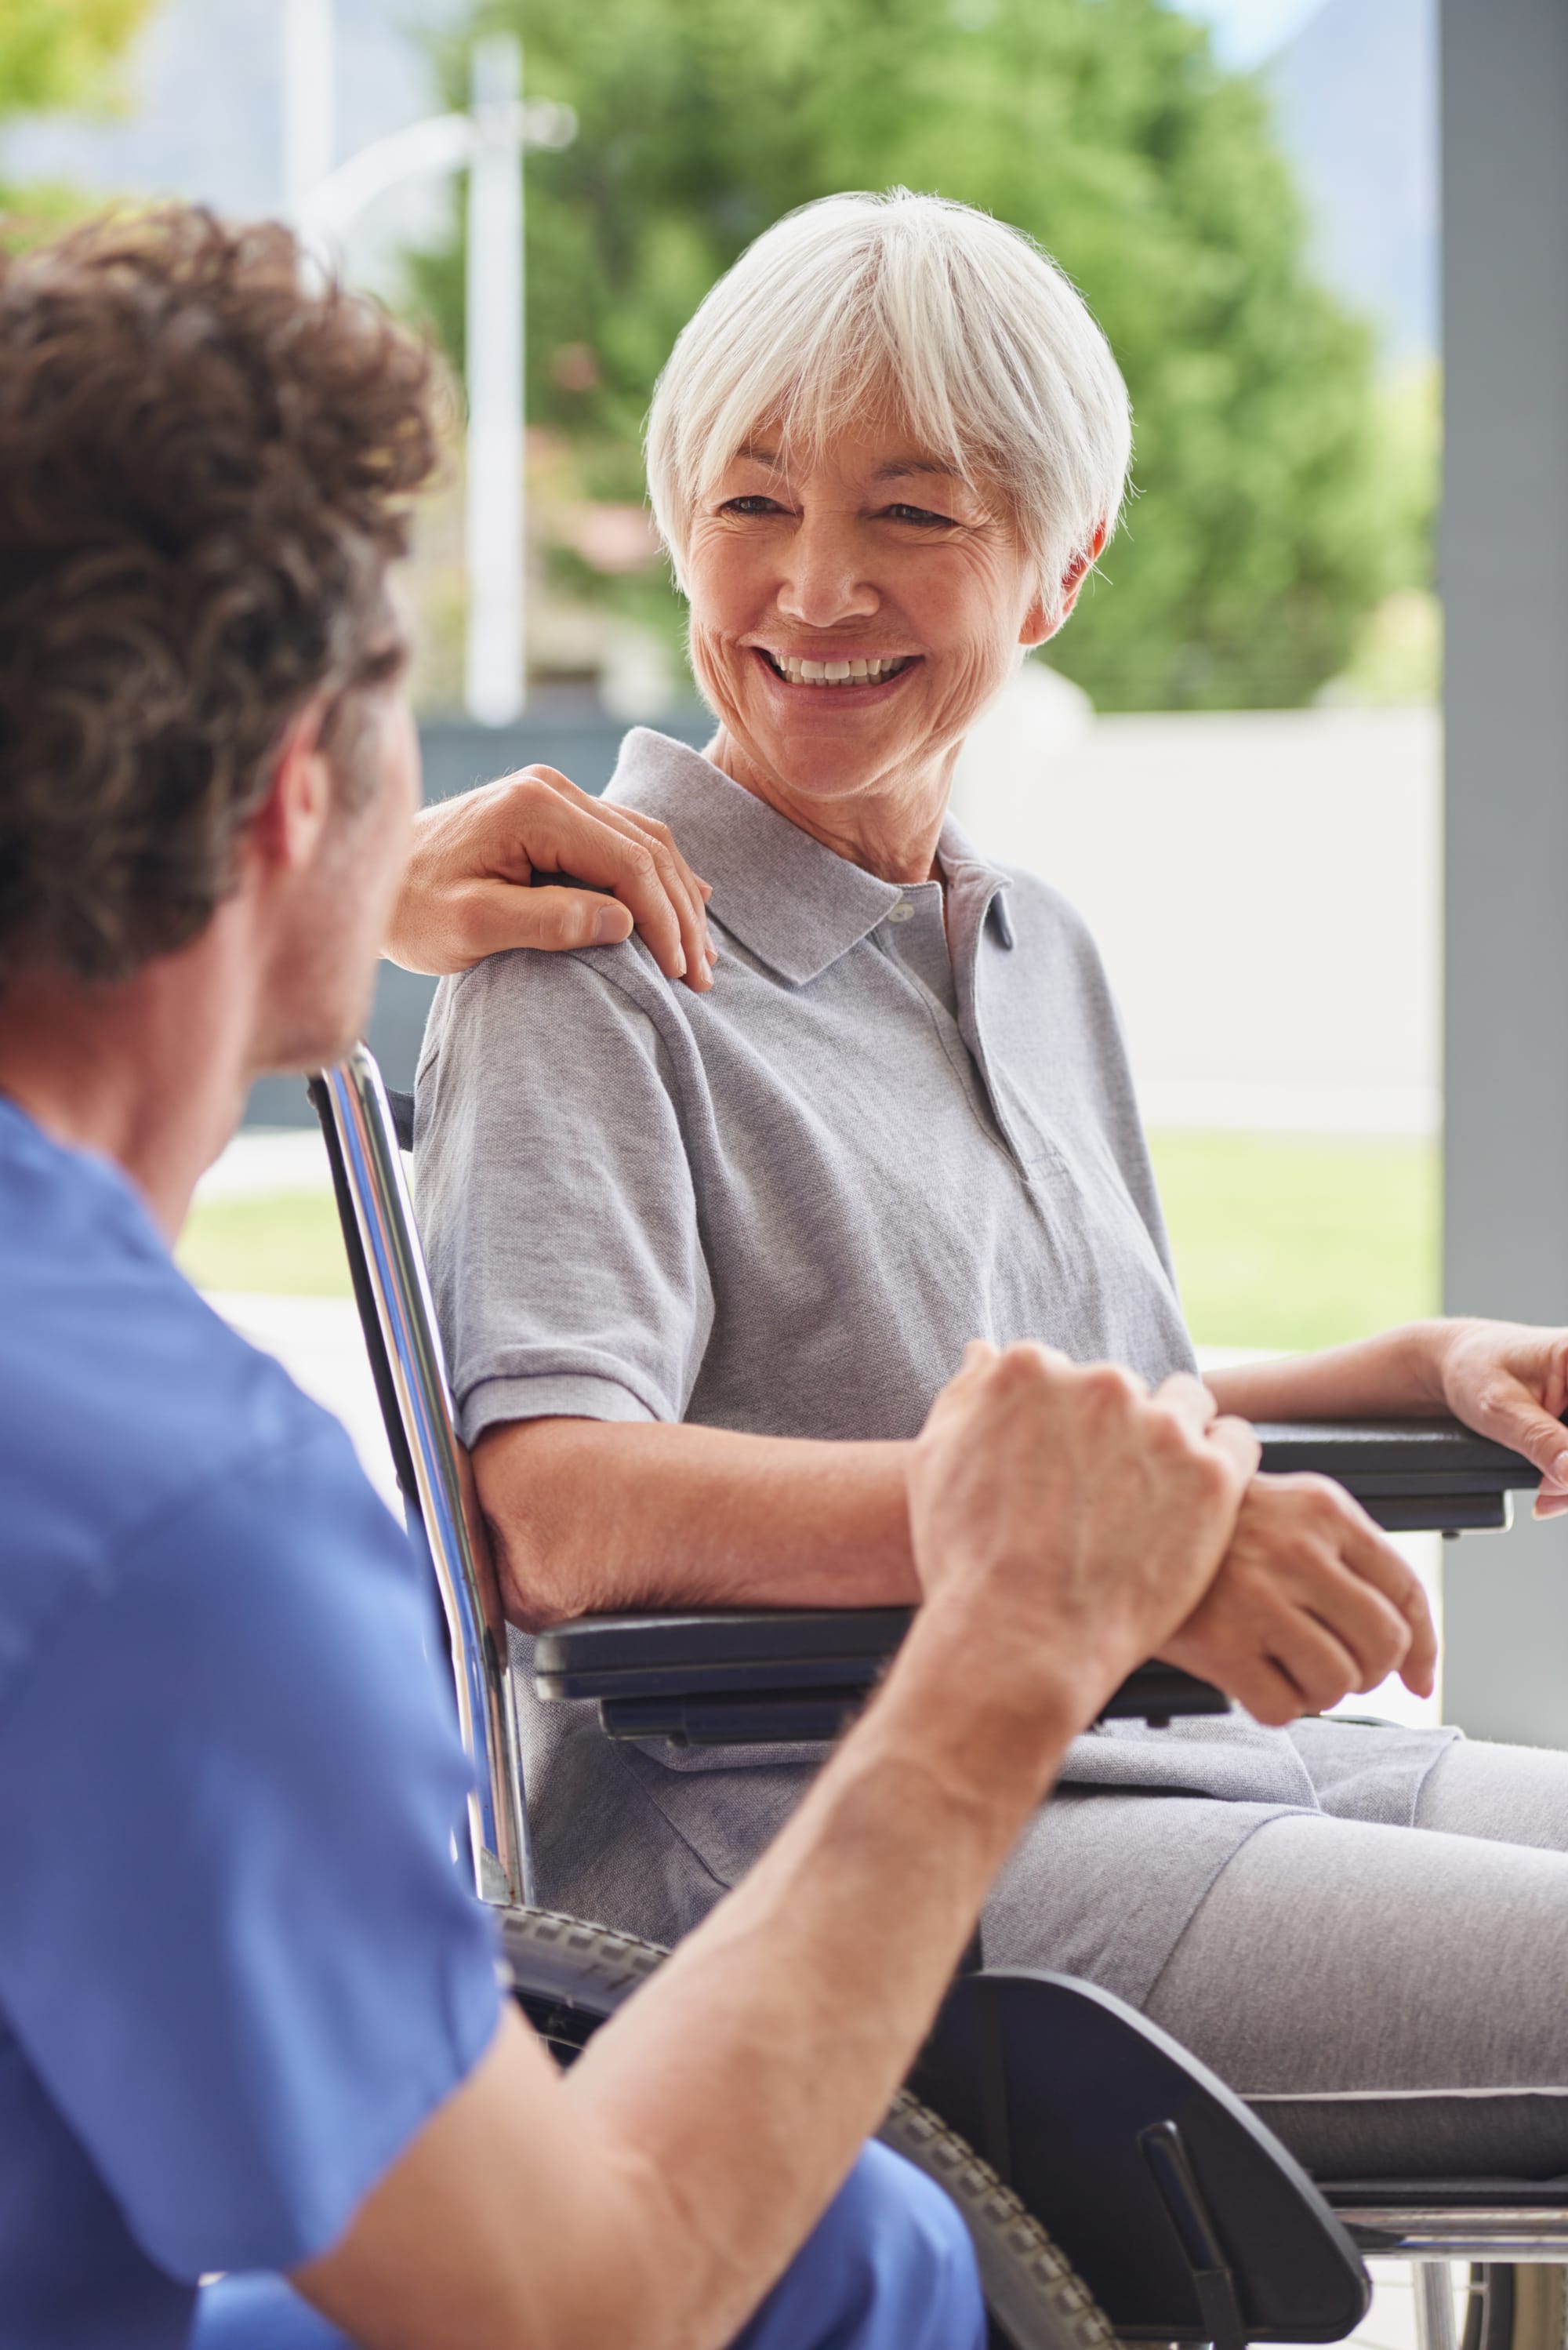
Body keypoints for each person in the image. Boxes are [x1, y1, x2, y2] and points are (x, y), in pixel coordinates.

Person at [0, 205, 1264, 2350]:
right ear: (305, 779)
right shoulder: (176, 1531)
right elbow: (564, 2300)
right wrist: (1002, 1645)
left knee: (857, 2240)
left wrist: (307, 907)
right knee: (836, 2260)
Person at [418, 187, 1568, 2185]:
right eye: (751, 503)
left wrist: (1411, 1360)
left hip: (1176, 1765)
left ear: (1058, 570)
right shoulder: (584, 948)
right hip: (813, 1845)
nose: (813, 587)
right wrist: (1083, 1554)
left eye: (915, 516)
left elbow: (1041, 1402)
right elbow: (549, 1508)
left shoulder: (1024, 940)